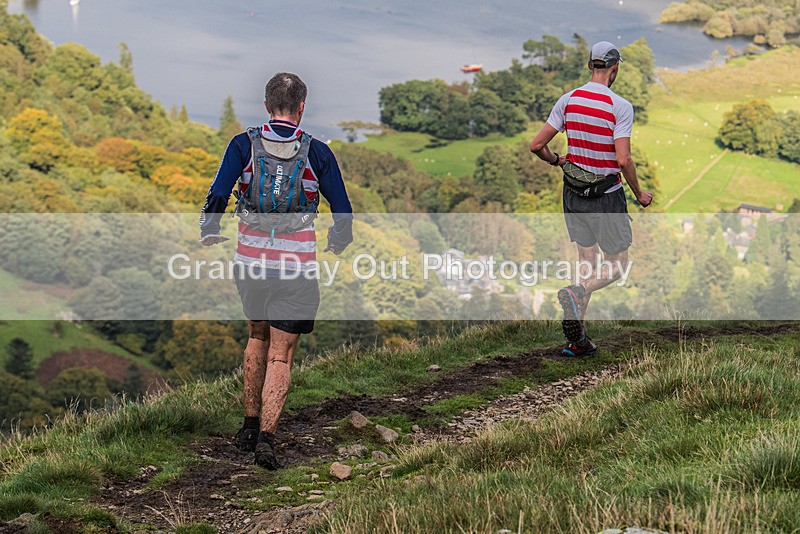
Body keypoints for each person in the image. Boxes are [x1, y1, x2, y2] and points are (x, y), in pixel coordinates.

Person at [199, 72, 353, 469]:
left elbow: (218, 193)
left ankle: (248, 426)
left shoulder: (242, 145)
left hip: (250, 263)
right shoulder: (317, 152)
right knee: (281, 356)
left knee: (256, 336)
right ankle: (267, 437)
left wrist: (210, 228)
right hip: (296, 267)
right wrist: (338, 241)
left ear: (267, 105)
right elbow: (343, 211)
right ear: (302, 107)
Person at [529, 41, 653, 357]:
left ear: (589, 66)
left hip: (572, 194)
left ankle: (577, 342)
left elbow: (536, 145)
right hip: (605, 197)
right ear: (615, 68)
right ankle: (577, 292)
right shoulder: (620, 106)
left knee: (587, 262)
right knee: (616, 266)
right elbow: (623, 160)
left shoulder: (568, 100)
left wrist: (557, 160)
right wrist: (639, 193)